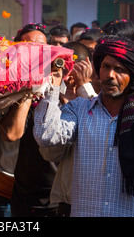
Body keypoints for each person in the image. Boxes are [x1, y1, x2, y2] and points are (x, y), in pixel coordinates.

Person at [33, 36, 134, 216]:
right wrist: (54, 86)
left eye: (119, 69)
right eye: (106, 67)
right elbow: (46, 135)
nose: (110, 75)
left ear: (133, 76)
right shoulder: (80, 109)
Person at [0, 23, 59, 217]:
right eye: (27, 45)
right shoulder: (1, 90)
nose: (34, 51)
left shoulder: (59, 85)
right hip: (10, 188)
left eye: (40, 46)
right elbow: (7, 136)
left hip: (52, 194)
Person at [38, 40, 95, 217]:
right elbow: (50, 153)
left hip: (95, 200)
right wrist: (65, 105)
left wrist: (84, 90)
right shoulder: (57, 102)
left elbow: (101, 128)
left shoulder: (102, 99)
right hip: (67, 203)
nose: (69, 81)